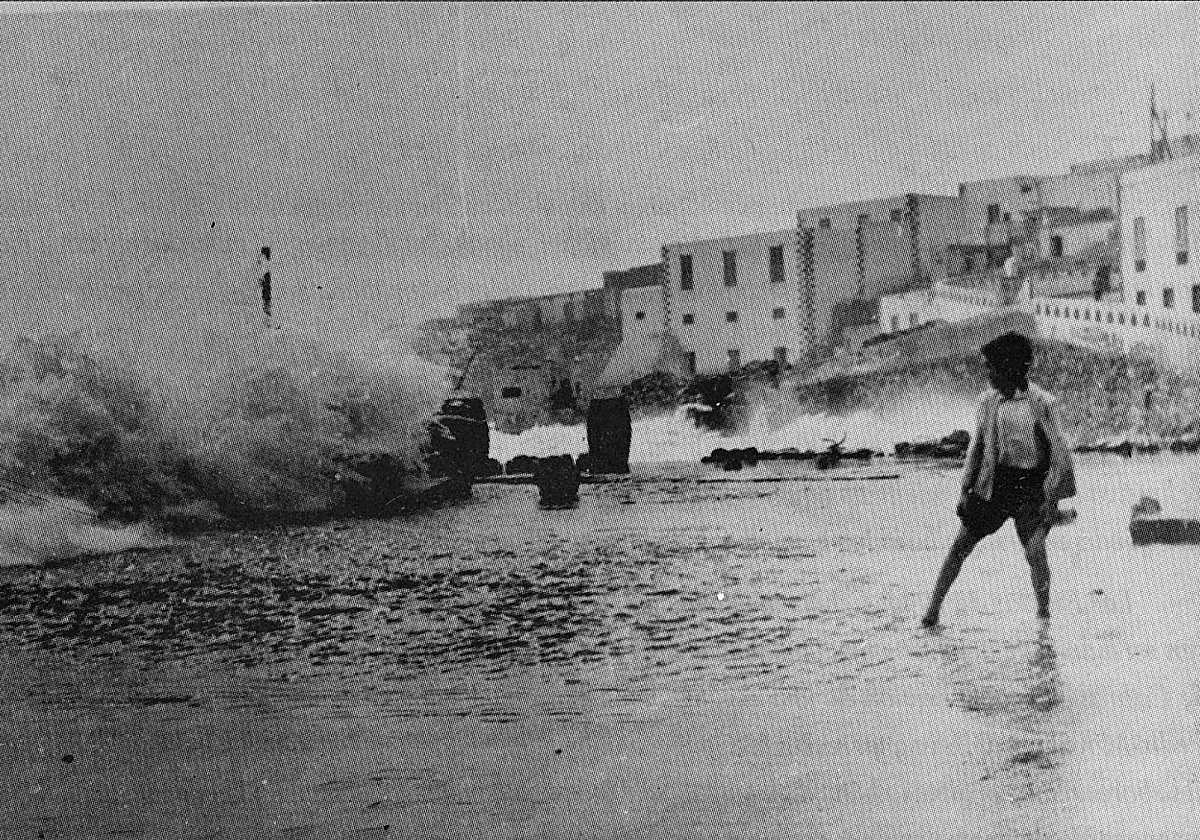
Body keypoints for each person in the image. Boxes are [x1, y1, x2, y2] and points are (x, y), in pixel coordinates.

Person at [921, 331, 1076, 627]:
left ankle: (1044, 615)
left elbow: (1059, 454)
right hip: (995, 483)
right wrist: (965, 489)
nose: (987, 373)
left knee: (1035, 552)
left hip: (1031, 486)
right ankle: (932, 610)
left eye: (991, 367)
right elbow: (976, 447)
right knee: (960, 545)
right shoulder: (987, 401)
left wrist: (1052, 501)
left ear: (1009, 368)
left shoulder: (1042, 403)